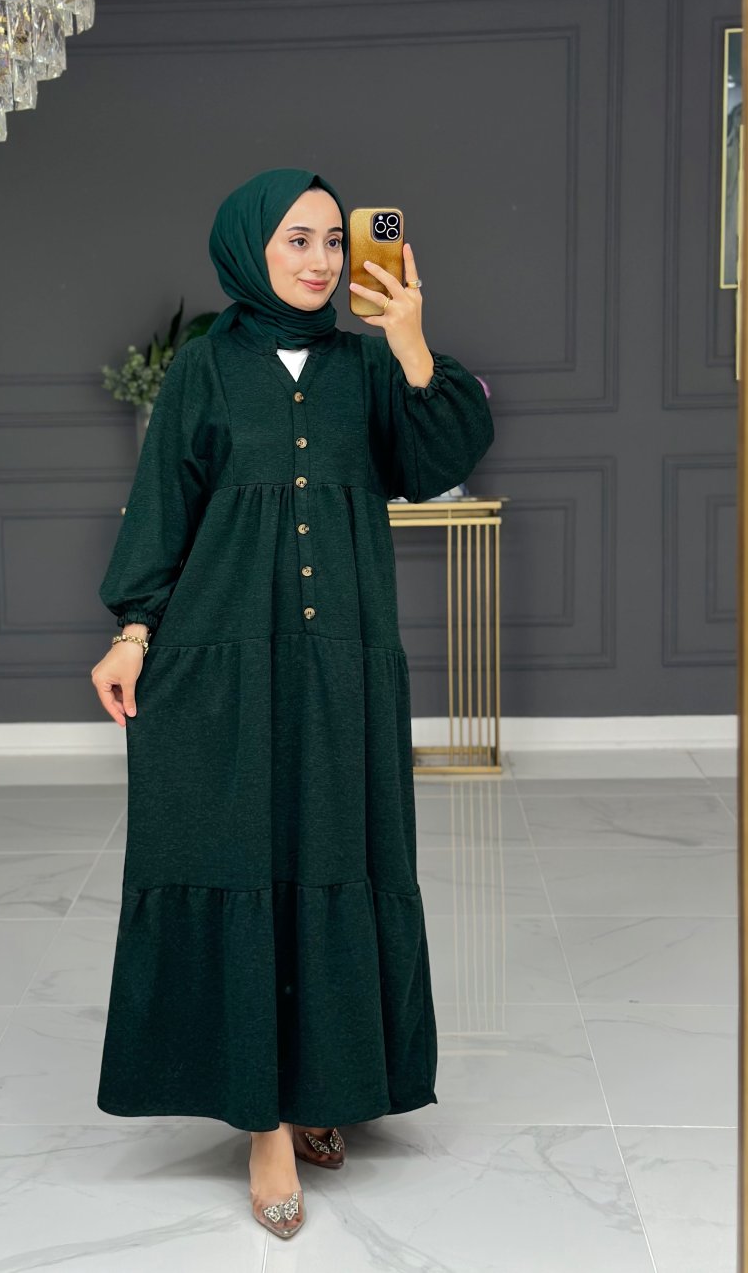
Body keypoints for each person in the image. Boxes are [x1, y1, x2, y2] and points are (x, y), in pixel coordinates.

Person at [90, 167, 494, 1239]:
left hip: (341, 666)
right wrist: (133, 631)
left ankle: (323, 1087)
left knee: (335, 857)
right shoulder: (202, 368)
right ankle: (264, 1122)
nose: (320, 261)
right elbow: (163, 507)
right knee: (240, 861)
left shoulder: (370, 368)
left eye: (331, 240)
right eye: (296, 241)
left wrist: (411, 340)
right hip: (220, 664)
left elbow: (440, 458)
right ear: (248, 249)